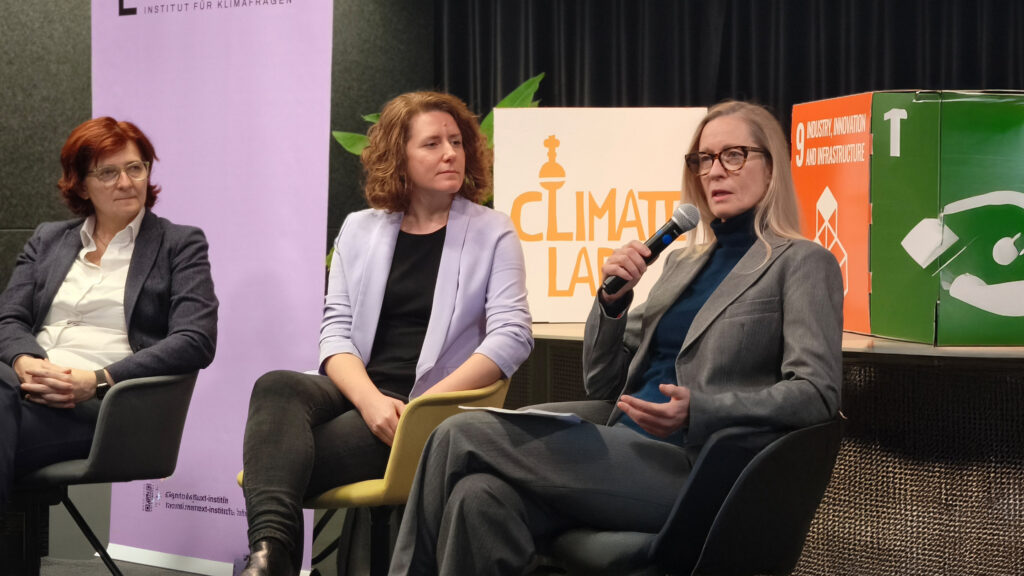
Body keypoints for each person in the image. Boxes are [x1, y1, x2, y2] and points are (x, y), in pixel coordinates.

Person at [388, 101, 845, 575]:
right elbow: (602, 383)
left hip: (692, 467)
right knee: (476, 498)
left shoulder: (801, 262)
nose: (715, 171)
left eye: (734, 155)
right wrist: (612, 303)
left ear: (771, 168)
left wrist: (703, 408)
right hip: (618, 448)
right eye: (704, 159)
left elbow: (817, 393)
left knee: (457, 433)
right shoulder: (681, 263)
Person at [239, 91, 533, 576]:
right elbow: (335, 333)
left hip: (426, 405)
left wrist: (421, 409)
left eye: (456, 142)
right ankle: (272, 559)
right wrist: (371, 401)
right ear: (399, 156)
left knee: (276, 464)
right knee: (276, 385)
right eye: (433, 143)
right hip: (361, 392)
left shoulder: (492, 231)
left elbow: (511, 336)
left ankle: (268, 559)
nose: (450, 154)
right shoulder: (360, 228)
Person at [0, 117, 219, 511]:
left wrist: (97, 380)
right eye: (108, 172)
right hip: (23, 389)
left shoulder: (179, 244)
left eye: (135, 168)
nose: (126, 182)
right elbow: (9, 319)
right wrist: (24, 361)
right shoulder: (49, 239)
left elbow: (194, 340)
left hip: (101, 410)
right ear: (81, 184)